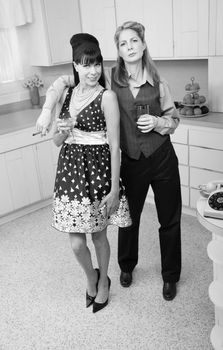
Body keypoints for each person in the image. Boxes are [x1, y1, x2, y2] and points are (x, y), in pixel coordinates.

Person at [36, 21, 182, 301]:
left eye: (134, 41)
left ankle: (170, 276)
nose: (129, 47)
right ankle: (126, 267)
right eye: (123, 44)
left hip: (162, 156)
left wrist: (159, 121)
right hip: (131, 159)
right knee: (130, 219)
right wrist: (46, 111)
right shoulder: (109, 77)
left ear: (143, 44)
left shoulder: (159, 82)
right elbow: (67, 79)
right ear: (118, 50)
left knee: (170, 219)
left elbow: (174, 120)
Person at [45, 33, 131, 314]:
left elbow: (115, 145)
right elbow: (57, 142)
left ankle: (103, 283)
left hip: (98, 172)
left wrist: (115, 190)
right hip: (70, 171)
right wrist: (62, 130)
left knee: (98, 236)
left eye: (96, 64)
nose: (93, 71)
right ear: (76, 66)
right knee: (76, 243)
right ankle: (91, 277)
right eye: (86, 65)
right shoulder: (68, 96)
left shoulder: (107, 97)